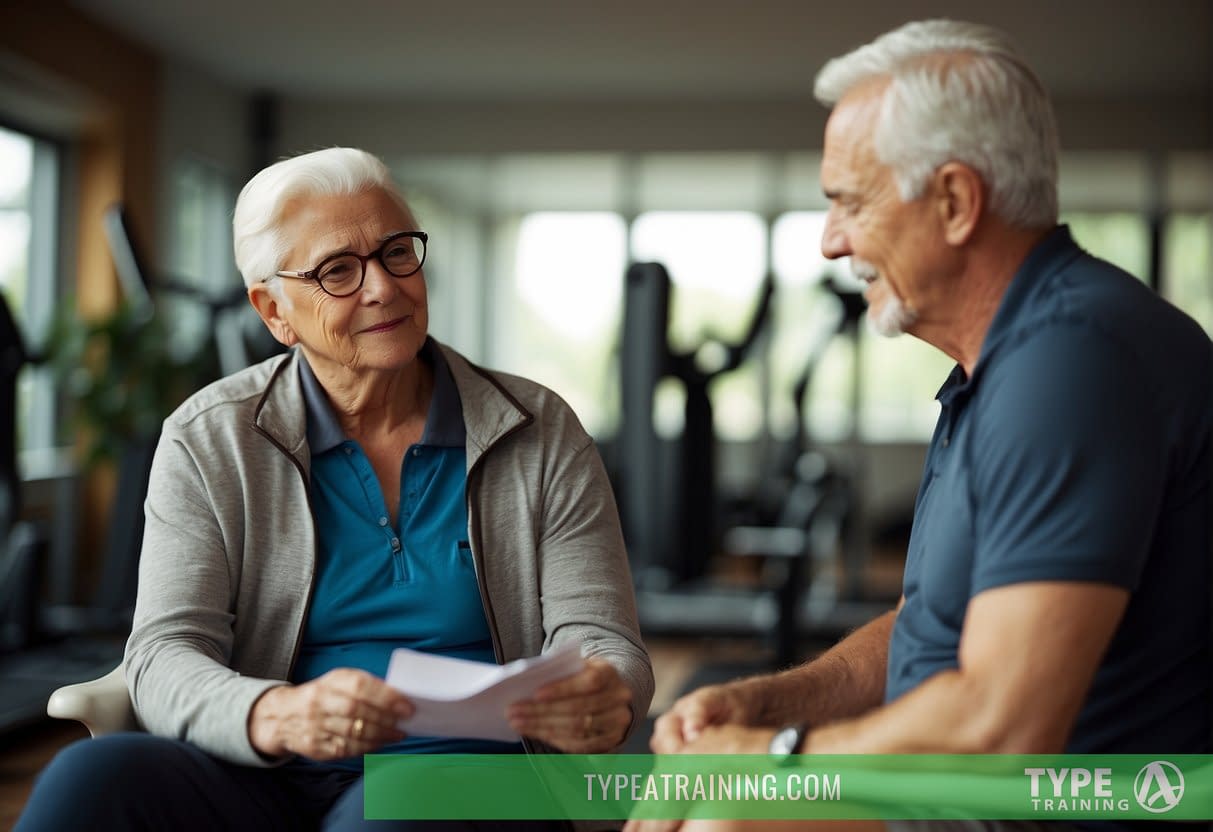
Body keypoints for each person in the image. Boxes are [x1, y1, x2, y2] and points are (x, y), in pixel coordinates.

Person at [625, 18, 1211, 832]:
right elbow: (924, 626)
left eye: (848, 202)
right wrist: (767, 701)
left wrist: (773, 762)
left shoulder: (1074, 361)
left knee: (714, 818)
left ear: (954, 201)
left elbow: (1000, 729)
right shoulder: (996, 367)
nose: (831, 242)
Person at [19, 147, 654, 832]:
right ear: (274, 311)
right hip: (268, 768)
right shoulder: (209, 437)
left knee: (399, 808)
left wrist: (602, 690)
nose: (381, 287)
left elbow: (601, 637)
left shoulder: (538, 429)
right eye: (337, 271)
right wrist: (275, 715)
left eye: (395, 253)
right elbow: (164, 651)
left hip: (474, 778)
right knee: (92, 776)